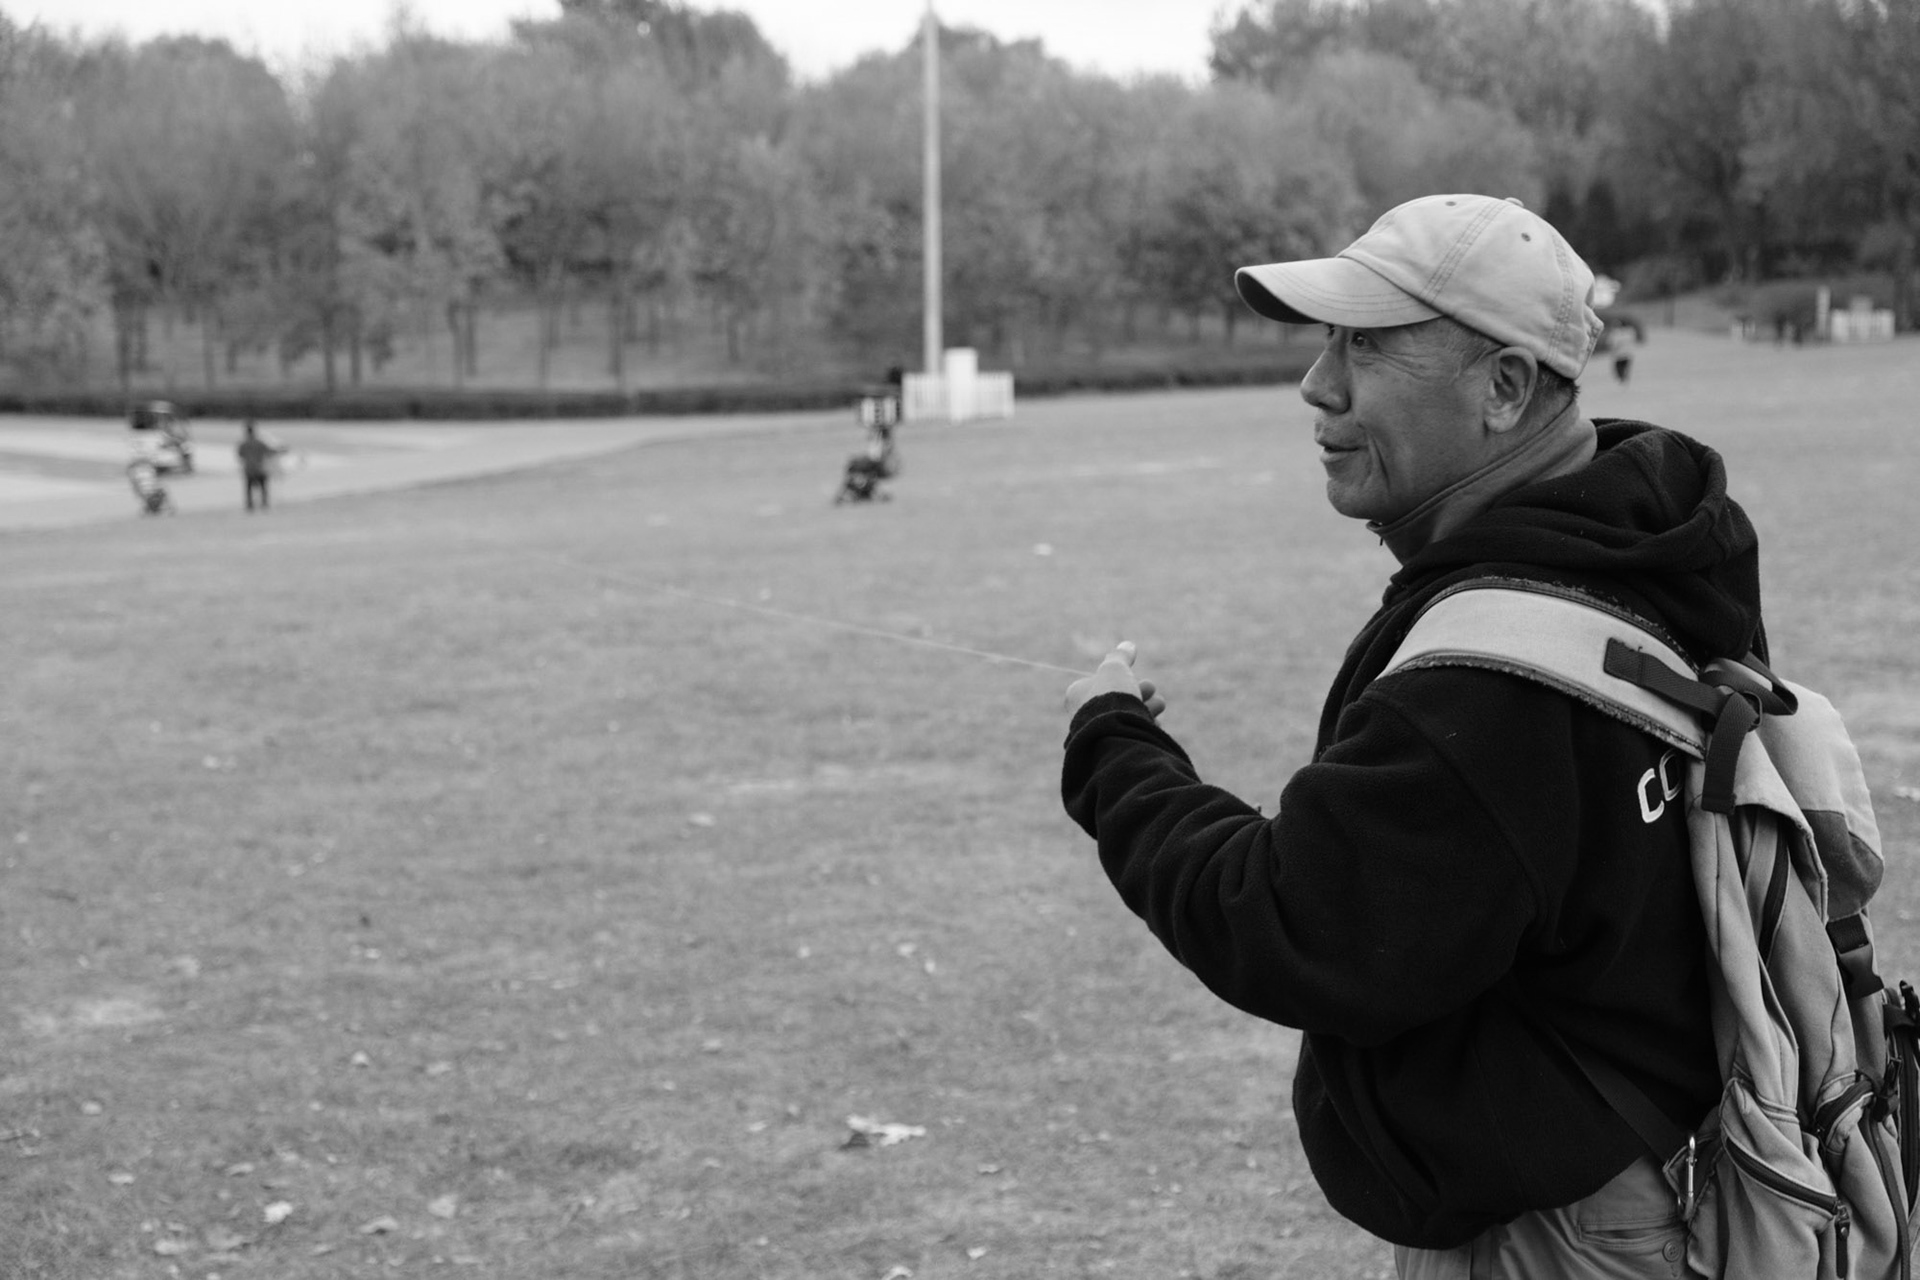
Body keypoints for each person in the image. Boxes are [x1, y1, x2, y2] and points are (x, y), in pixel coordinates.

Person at [1060, 194, 1763, 1278]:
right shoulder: (1649, 543)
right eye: (1328, 341)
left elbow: (1290, 917)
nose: (1318, 382)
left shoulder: (1488, 684)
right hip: (1662, 1162)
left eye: (1370, 347)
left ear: (1506, 387)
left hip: (1561, 1238)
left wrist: (1112, 745)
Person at [235, 419, 282, 512]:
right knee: (263, 487)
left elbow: (240, 455)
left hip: (248, 469)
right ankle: (264, 503)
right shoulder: (259, 442)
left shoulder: (243, 444)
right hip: (260, 468)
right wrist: (280, 450)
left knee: (248, 488)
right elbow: (270, 452)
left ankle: (250, 505)